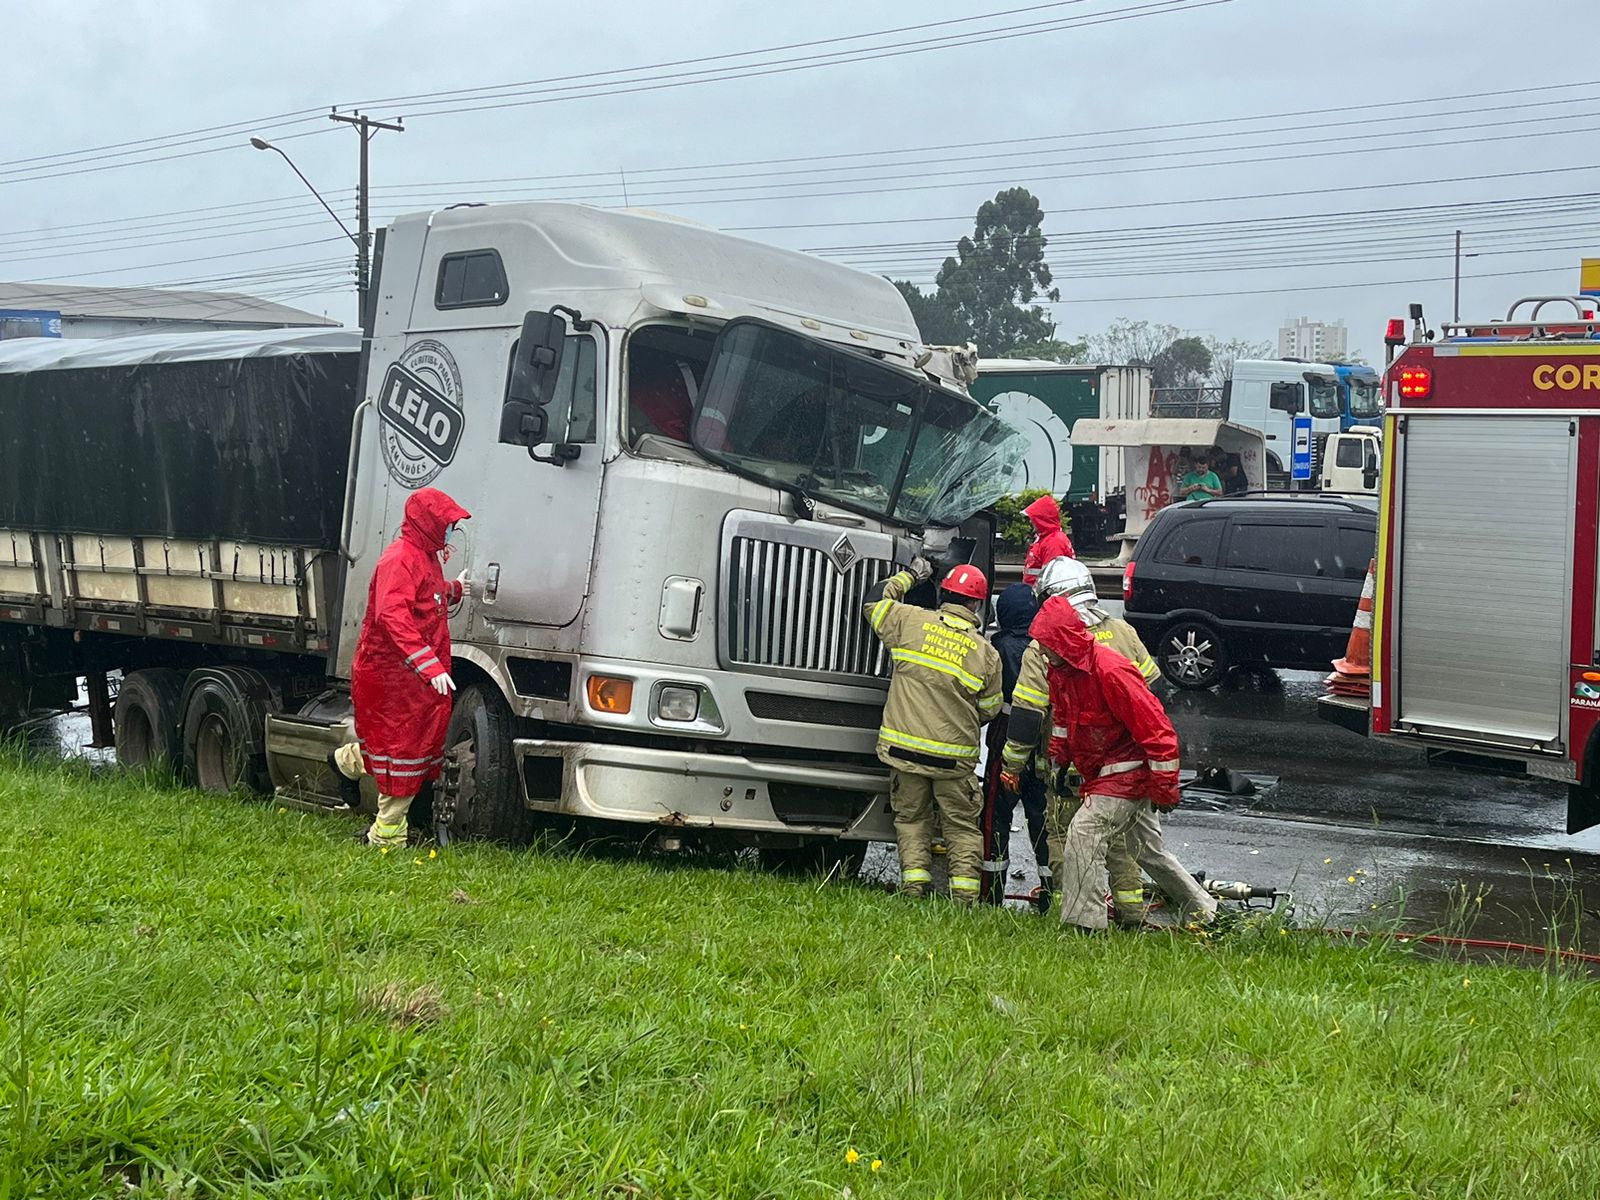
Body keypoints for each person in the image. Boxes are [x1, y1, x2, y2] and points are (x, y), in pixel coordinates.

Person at [1028, 596, 1218, 933]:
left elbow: (1158, 732)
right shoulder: (1062, 670)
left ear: (1064, 642)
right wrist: (1059, 760)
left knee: (1085, 833)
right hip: (1105, 770)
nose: (1042, 652)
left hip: (1127, 769)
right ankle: (1207, 911)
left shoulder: (1110, 670)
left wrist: (1164, 788)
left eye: (1046, 645)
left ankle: (1085, 924)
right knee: (1147, 851)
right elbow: (1063, 719)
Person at [999, 556, 1159, 925]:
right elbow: (1151, 694)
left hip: (1072, 765)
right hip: (1126, 765)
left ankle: (1070, 911)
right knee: (1120, 843)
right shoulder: (1123, 631)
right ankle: (1131, 913)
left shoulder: (1044, 647)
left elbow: (1027, 715)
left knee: (1065, 838)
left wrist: (1012, 765)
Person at [329, 487, 472, 847]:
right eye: (447, 523)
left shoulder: (422, 556)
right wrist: (429, 666)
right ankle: (387, 837)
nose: (451, 530)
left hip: (410, 677)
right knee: (403, 748)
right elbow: (392, 615)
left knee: (405, 747)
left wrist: (455, 588)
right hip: (392, 677)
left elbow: (428, 593)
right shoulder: (400, 558)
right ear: (429, 523)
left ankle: (347, 762)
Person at [865, 558, 1004, 903]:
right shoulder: (986, 654)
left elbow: (874, 599)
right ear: (976, 604)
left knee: (911, 819)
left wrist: (911, 576)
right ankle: (965, 898)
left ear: (944, 594)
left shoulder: (909, 621)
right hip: (952, 762)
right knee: (960, 826)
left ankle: (914, 887)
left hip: (902, 751)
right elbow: (989, 709)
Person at [979, 583, 1050, 905]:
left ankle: (991, 893)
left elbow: (989, 702)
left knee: (995, 817)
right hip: (1044, 743)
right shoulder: (1046, 647)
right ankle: (1053, 894)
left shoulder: (999, 647)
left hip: (1006, 738)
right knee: (1043, 820)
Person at [1020, 494, 1075, 586]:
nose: (1030, 521)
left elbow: (1052, 579)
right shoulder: (1049, 539)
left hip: (1042, 595)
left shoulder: (1054, 542)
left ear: (1042, 519)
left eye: (1033, 518)